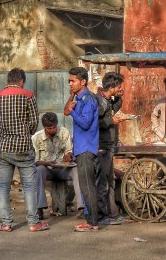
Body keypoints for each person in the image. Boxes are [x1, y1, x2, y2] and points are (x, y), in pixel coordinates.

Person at [0, 68, 49, 232]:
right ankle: (33, 223)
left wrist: (3, 131)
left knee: (3, 187)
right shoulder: (28, 96)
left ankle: (6, 223)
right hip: (23, 147)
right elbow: (33, 122)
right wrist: (24, 132)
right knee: (29, 186)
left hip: (3, 148)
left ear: (8, 80)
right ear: (21, 80)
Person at [64, 66, 100, 232]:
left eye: (73, 81)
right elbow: (66, 111)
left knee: (87, 186)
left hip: (86, 148)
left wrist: (72, 111)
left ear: (83, 81)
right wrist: (70, 106)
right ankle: (91, 219)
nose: (70, 84)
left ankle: (92, 221)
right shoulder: (79, 97)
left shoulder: (87, 99)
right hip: (81, 148)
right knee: (86, 185)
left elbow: (85, 123)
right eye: (69, 81)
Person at [33, 112, 84, 219]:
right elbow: (35, 161)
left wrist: (68, 155)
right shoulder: (36, 138)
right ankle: (39, 208)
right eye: (49, 128)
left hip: (63, 169)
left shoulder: (64, 132)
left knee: (76, 169)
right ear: (44, 127)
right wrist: (47, 163)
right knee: (39, 170)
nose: (52, 130)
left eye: (54, 127)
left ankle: (82, 208)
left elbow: (69, 150)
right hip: (47, 169)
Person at [94, 72, 126, 224]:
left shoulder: (107, 100)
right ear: (111, 87)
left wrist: (119, 97)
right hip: (101, 146)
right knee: (102, 183)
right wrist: (111, 120)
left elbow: (114, 107)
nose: (121, 88)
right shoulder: (99, 101)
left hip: (108, 145)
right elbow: (93, 123)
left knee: (109, 181)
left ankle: (111, 214)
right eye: (119, 86)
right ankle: (102, 215)